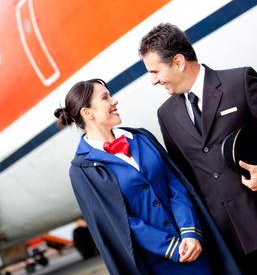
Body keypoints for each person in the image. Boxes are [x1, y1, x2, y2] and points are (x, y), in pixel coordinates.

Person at [138, 23, 257, 275]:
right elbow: (186, 178)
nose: (153, 80)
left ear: (178, 62)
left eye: (155, 71)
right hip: (230, 242)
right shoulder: (166, 114)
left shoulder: (239, 81)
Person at [54, 79, 241, 275]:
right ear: (87, 113)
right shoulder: (82, 170)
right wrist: (172, 247)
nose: (114, 101)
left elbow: (174, 184)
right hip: (157, 263)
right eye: (105, 98)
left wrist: (189, 232)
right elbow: (118, 222)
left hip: (195, 247)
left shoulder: (141, 138)